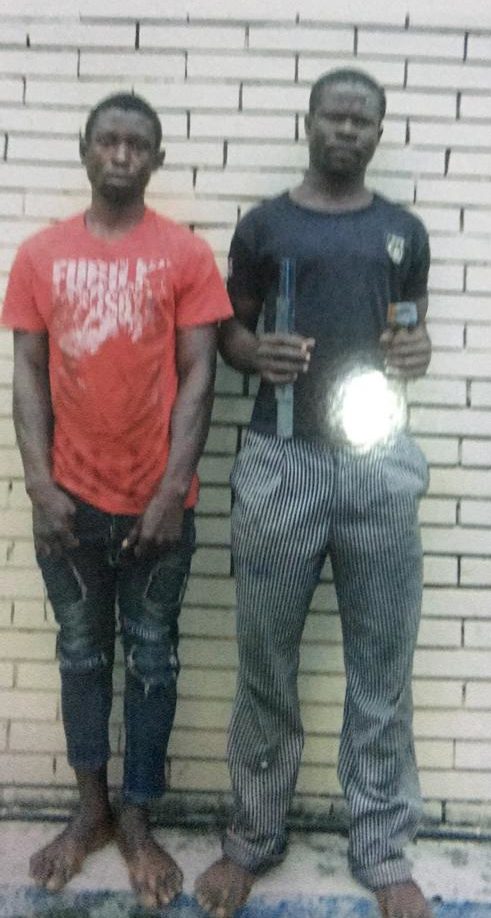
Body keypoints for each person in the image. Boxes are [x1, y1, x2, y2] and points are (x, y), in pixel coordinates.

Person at [195, 68, 433, 918]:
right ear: (308, 122)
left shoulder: (402, 231)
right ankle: (252, 839)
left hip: (376, 459)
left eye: (362, 120)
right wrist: (249, 352)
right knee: (265, 663)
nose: (347, 130)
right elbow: (229, 326)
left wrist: (418, 353)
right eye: (334, 116)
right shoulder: (265, 225)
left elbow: (409, 331)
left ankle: (381, 848)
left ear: (378, 133)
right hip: (281, 461)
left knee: (381, 666)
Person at [3, 92, 232, 910]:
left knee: (153, 659)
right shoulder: (40, 256)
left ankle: (137, 820)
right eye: (109, 140)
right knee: (81, 656)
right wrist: (39, 484)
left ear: (157, 159)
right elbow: (28, 372)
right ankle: (89, 810)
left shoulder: (185, 254)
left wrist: (172, 491)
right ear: (86, 150)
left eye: (138, 144)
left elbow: (201, 374)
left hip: (158, 508)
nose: (122, 154)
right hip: (69, 503)